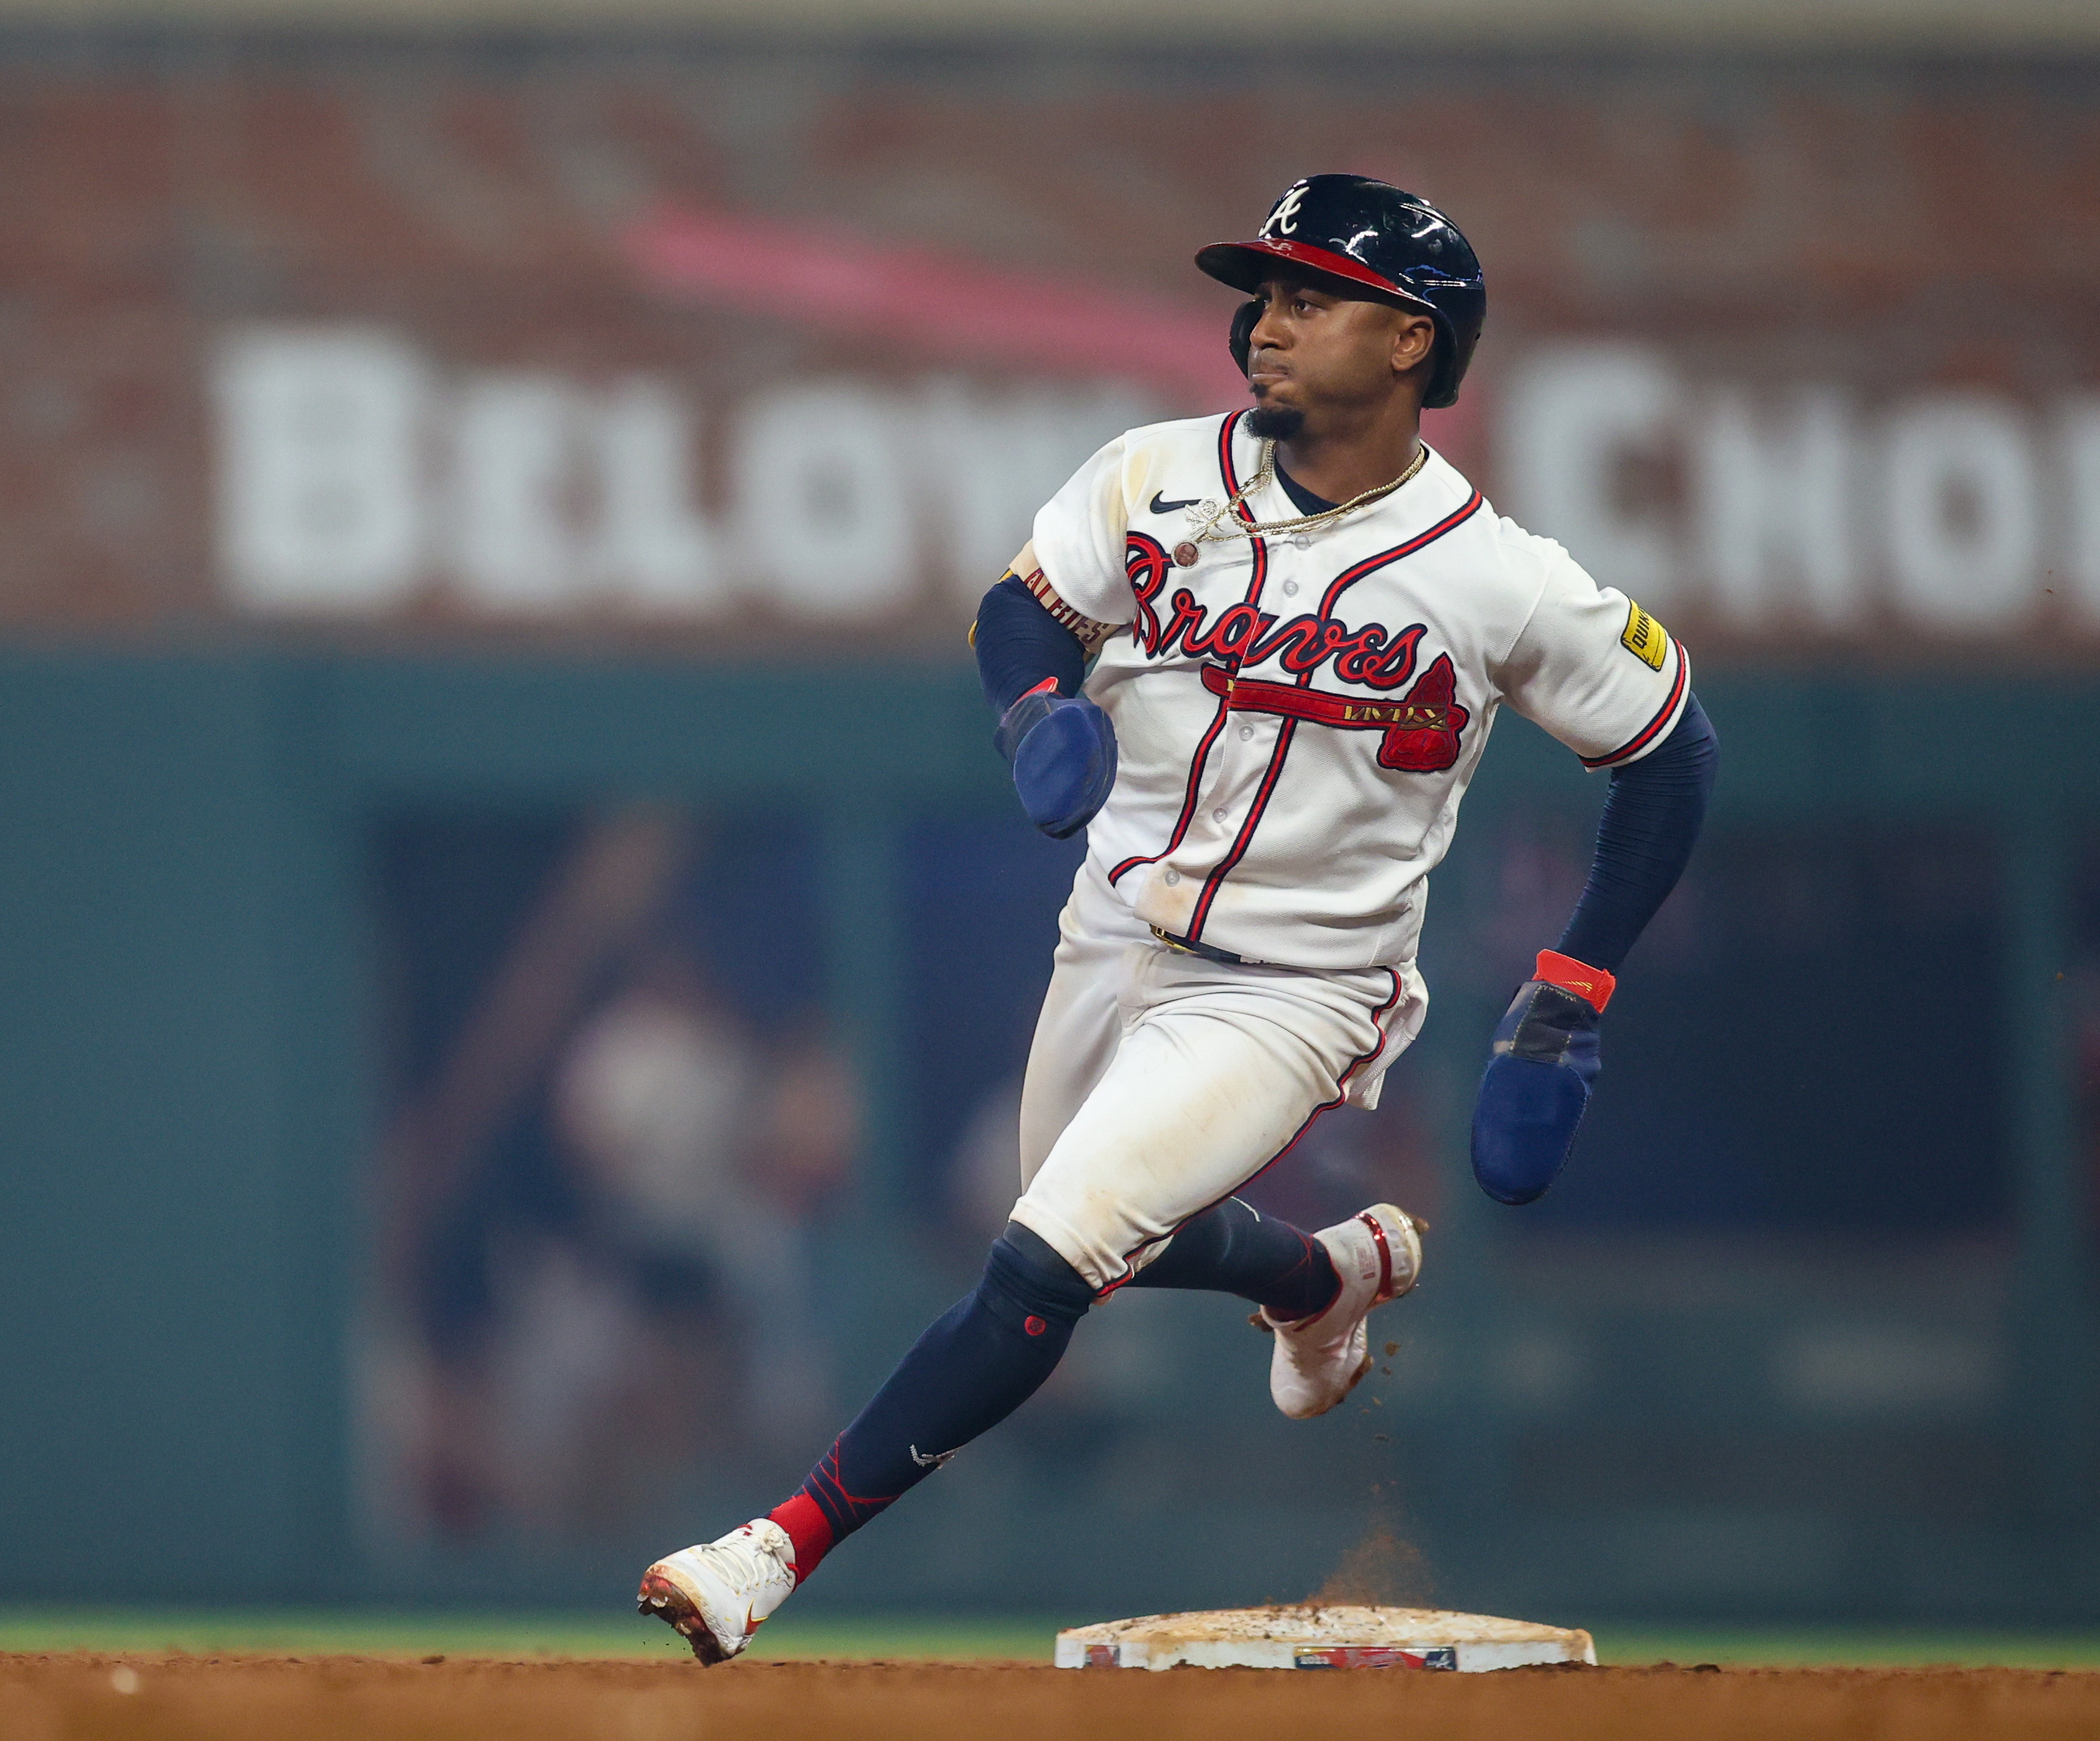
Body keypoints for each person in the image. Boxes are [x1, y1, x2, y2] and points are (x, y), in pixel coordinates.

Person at [637, 174, 1719, 1663]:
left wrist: (1572, 986)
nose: (1263, 323)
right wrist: (1028, 707)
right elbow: (1023, 610)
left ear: (1412, 343)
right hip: (1114, 927)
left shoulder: (1496, 576)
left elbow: (1672, 750)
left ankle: (774, 1546)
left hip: (1298, 985)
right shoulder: (1153, 473)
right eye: (1260, 294)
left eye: (1307, 296)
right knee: (1103, 1232)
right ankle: (1321, 1273)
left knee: (1045, 1253)